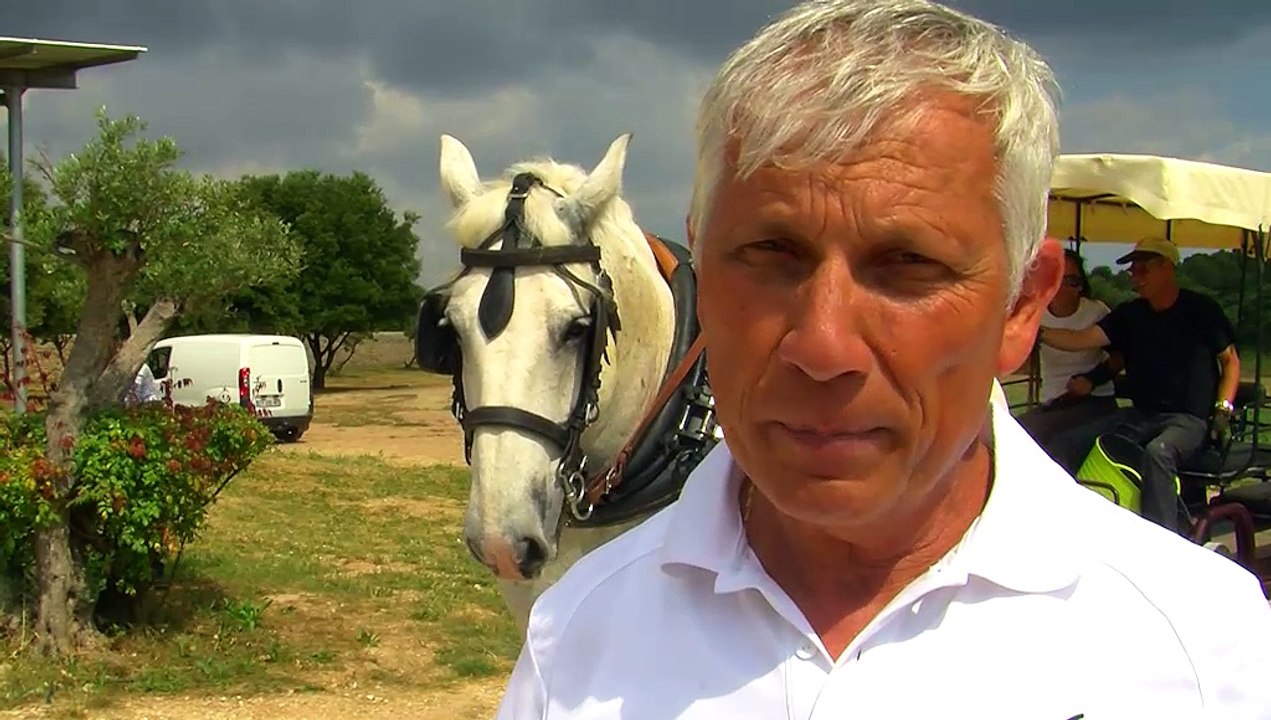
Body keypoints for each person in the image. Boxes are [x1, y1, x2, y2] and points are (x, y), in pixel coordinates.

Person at [494, 2, 1271, 717]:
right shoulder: (578, 633)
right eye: (769, 253)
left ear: (1021, 304)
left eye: (907, 265)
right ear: (704, 261)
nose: (822, 347)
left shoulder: (1206, 653)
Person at [1040, 236, 1241, 535]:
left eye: (1143, 268)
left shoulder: (1201, 311)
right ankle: (1065, 528)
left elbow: (1231, 362)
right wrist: (1032, 330)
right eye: (1133, 269)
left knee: (1158, 453)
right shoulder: (1130, 315)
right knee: (1065, 444)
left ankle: (1162, 538)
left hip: (1189, 420)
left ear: (1167, 267)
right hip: (1141, 415)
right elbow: (1080, 340)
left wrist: (1223, 409)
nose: (1135, 275)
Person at [1015, 248, 1121, 449]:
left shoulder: (1097, 311)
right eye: (1059, 280)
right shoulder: (1036, 314)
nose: (1067, 288)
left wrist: (1093, 379)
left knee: (1048, 439)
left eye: (1073, 281)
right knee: (1013, 432)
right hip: (1053, 402)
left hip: (1094, 401)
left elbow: (1119, 357)